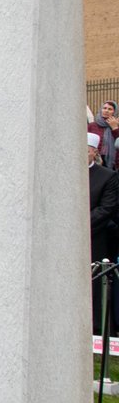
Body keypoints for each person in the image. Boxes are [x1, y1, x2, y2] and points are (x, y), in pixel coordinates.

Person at [90, 132, 119, 334]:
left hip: (94, 237)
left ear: (94, 152)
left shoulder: (107, 176)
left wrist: (77, 225)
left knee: (95, 286)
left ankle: (96, 327)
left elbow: (107, 208)